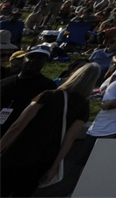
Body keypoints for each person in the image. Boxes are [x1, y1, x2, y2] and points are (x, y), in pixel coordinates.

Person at [0, 63, 99, 197]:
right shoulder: (83, 106)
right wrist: (53, 167)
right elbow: (70, 138)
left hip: (18, 152)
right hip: (44, 159)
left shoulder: (47, 95)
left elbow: (18, 125)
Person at [0, 49, 57, 138]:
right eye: (31, 57)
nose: (34, 61)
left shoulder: (48, 86)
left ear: (45, 62)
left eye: (40, 58)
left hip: (23, 134)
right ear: (24, 60)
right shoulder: (4, 83)